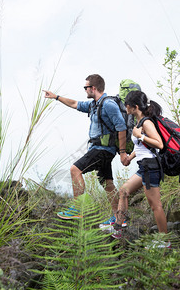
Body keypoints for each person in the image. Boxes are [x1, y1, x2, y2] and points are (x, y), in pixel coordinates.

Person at [43, 74, 129, 219]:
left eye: (86, 87)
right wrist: (56, 97)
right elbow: (74, 104)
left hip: (102, 149)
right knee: (107, 183)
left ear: (93, 88)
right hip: (101, 149)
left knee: (75, 169)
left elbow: (121, 127)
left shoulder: (108, 104)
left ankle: (78, 209)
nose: (85, 90)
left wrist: (122, 152)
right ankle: (118, 217)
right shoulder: (94, 105)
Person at [105, 90, 170, 248]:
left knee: (156, 205)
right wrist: (130, 157)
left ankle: (165, 241)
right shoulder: (139, 123)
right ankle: (120, 226)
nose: (124, 106)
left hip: (151, 167)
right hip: (144, 167)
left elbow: (159, 144)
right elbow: (142, 147)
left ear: (134, 107)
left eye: (127, 104)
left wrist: (140, 136)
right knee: (123, 191)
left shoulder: (146, 123)